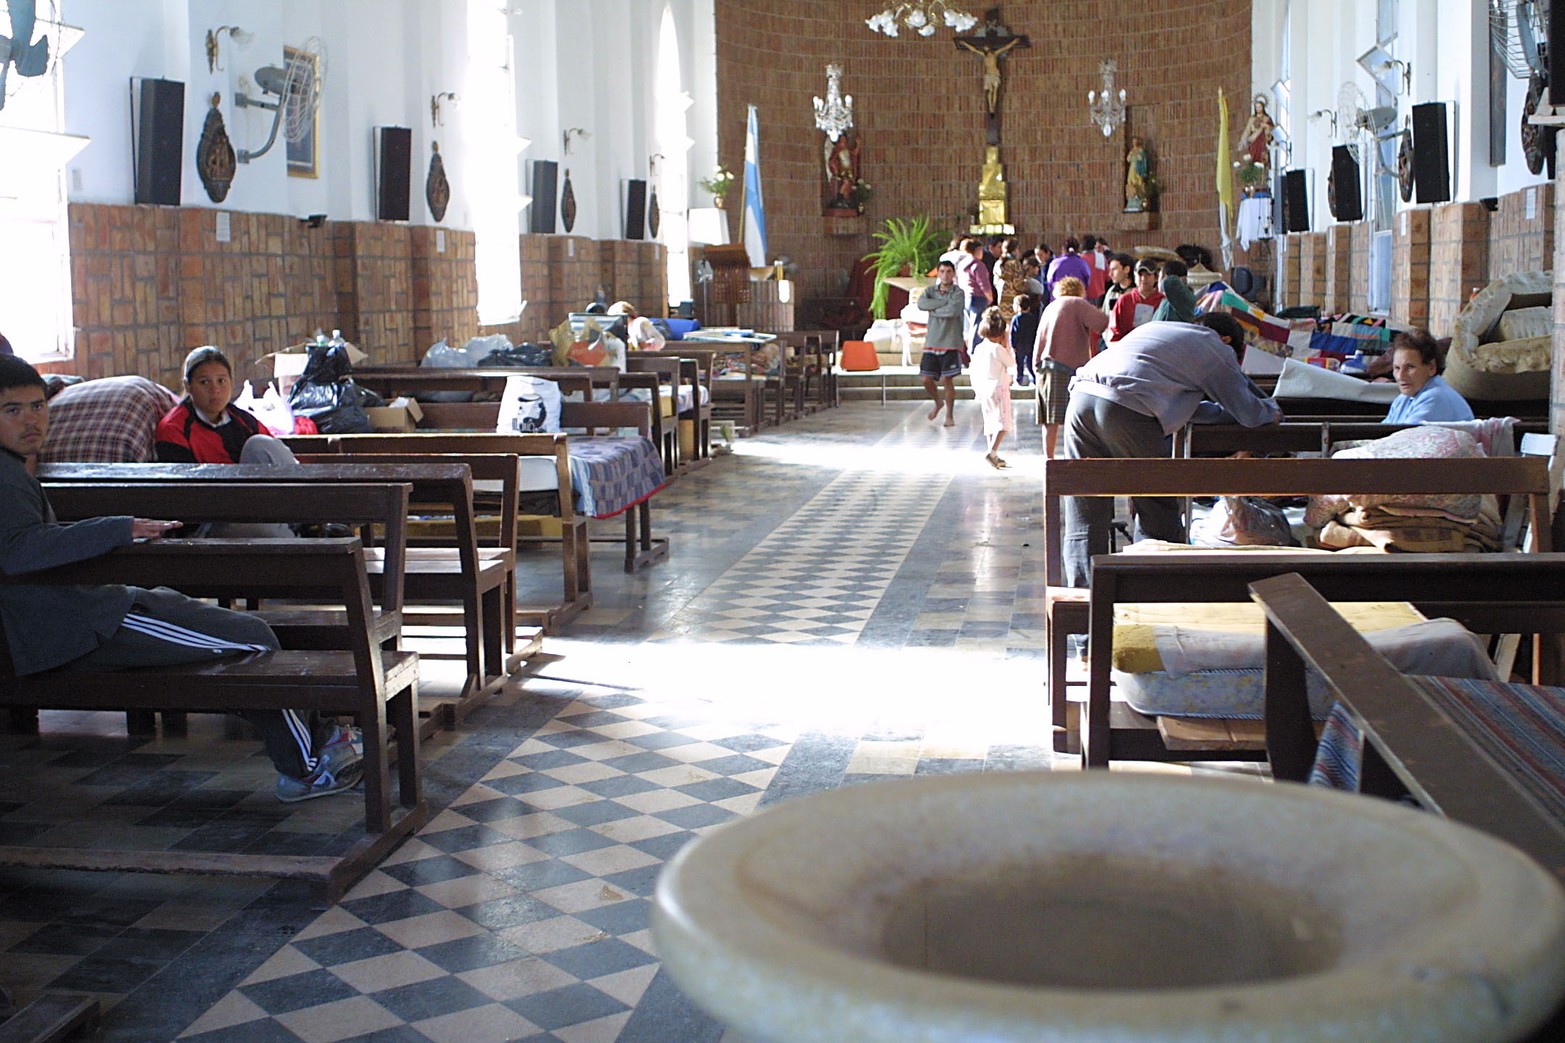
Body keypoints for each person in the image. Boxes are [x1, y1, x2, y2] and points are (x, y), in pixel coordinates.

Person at [0, 355, 363, 802]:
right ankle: (307, 768)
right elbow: (16, 552)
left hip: (86, 609)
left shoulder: (13, 469)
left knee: (229, 629)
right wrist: (118, 527)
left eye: (38, 406)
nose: (31, 421)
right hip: (77, 624)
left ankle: (321, 740)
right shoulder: (5, 476)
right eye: (12, 410)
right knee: (252, 639)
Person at [1062, 313, 1282, 587]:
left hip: (1080, 401)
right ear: (1227, 341)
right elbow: (1248, 412)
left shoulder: (1162, 330)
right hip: (1127, 409)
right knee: (1157, 506)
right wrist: (1273, 411)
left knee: (1086, 510)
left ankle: (1084, 611)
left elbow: (1189, 408)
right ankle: (1155, 594)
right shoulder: (1216, 347)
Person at [155, 346, 298, 466]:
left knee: (260, 444)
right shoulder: (174, 428)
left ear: (231, 381)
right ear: (188, 385)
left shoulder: (243, 421)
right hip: (206, 496)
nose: (215, 389)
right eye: (204, 382)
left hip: (251, 495)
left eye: (221, 381)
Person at [1034, 276, 1109, 459]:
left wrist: (1036, 365)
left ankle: (1049, 458)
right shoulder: (1078, 303)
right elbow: (1102, 323)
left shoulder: (1051, 307)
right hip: (1068, 369)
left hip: (1046, 368)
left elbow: (1039, 339)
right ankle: (1071, 458)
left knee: (1050, 420)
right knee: (1072, 417)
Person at [1383, 328, 1474, 423]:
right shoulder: (1403, 399)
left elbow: (1406, 435)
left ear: (1431, 367)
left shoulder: (1435, 398)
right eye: (1397, 368)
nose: (1400, 376)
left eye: (1410, 367)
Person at [917, 260, 965, 426]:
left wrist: (934, 309)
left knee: (947, 380)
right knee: (925, 378)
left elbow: (952, 311)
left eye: (949, 271)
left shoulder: (958, 293)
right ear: (938, 273)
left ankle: (949, 416)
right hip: (932, 340)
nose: (945, 275)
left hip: (950, 341)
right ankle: (938, 401)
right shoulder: (930, 291)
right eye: (942, 271)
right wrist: (942, 304)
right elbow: (922, 304)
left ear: (954, 273)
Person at [969, 306, 1015, 469]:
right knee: (1004, 422)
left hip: (984, 388)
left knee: (990, 422)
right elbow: (1011, 363)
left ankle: (992, 452)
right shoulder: (998, 349)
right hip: (999, 387)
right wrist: (1007, 346)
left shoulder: (980, 347)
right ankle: (992, 451)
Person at [1107, 261, 1164, 342]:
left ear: (1155, 277)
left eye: (1148, 274)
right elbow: (1114, 331)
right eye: (1140, 275)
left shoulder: (1163, 302)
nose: (1144, 278)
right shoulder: (1124, 300)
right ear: (1135, 277)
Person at [958, 238, 994, 349]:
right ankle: (974, 350)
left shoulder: (962, 264)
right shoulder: (978, 265)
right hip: (978, 297)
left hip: (967, 296)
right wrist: (990, 297)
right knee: (978, 325)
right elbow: (984, 284)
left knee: (970, 326)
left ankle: (968, 349)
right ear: (977, 250)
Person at [1010, 292, 1041, 388]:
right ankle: (1034, 380)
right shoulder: (1033, 318)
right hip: (1030, 344)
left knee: (1019, 364)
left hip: (1020, 345)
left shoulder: (1016, 318)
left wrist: (1013, 345)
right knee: (1030, 363)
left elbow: (1013, 333)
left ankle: (1019, 379)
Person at [1239, 94, 1275, 168]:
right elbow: (1247, 131)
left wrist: (1266, 126)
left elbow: (1272, 130)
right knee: (1253, 159)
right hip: (1254, 142)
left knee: (1263, 157)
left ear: (1263, 107)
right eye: (1256, 107)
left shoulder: (1267, 118)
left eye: (1259, 107)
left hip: (1263, 141)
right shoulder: (1252, 119)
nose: (1258, 109)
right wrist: (1243, 141)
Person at [1102, 252, 1136, 317]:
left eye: (1114, 269)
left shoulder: (1137, 292)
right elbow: (1105, 315)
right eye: (1110, 270)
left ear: (1126, 269)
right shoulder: (1112, 292)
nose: (1110, 274)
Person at [1125, 137, 1150, 211]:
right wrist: (1132, 155)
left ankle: (1138, 196)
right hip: (1132, 166)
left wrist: (1137, 155)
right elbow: (1128, 159)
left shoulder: (1140, 150)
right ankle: (1131, 196)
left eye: (1135, 141)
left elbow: (1142, 159)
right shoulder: (1132, 150)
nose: (1134, 143)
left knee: (1138, 180)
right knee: (1130, 180)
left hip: (1138, 168)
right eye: (1133, 142)